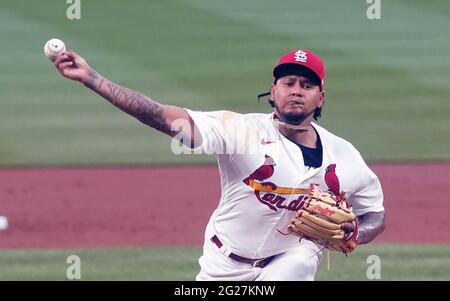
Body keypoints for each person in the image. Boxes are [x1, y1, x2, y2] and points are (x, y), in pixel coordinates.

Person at [52, 48, 385, 281]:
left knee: (300, 260)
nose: (296, 90)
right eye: (288, 83)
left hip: (291, 258)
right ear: (273, 90)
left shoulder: (344, 155)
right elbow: (161, 116)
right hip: (224, 263)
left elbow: (376, 214)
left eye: (307, 85)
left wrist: (357, 230)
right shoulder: (240, 131)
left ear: (321, 97)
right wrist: (92, 78)